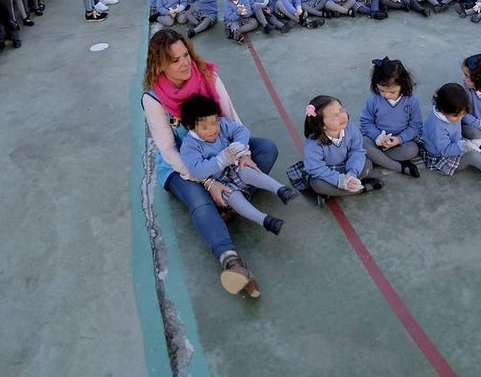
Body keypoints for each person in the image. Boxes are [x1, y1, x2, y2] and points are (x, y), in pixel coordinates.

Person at [141, 29, 279, 297]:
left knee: (267, 151)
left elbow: (232, 119)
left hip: (222, 152)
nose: (184, 63)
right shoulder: (153, 98)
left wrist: (243, 154)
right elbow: (169, 150)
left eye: (185, 56)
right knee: (199, 201)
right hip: (183, 167)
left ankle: (229, 201)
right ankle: (232, 261)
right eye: (174, 60)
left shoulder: (208, 75)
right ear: (160, 64)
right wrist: (208, 181)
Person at [178, 94, 296, 236]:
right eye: (205, 126)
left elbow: (242, 131)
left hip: (234, 165)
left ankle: (281, 190)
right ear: (192, 128)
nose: (213, 129)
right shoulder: (189, 145)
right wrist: (220, 160)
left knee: (248, 171)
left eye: (214, 122)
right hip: (217, 181)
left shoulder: (222, 125)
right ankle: (265, 221)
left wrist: (238, 146)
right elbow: (196, 170)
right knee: (234, 197)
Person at [301, 95, 384, 204]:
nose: (342, 116)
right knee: (317, 184)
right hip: (326, 173)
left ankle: (333, 192)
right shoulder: (313, 143)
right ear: (322, 125)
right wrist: (339, 180)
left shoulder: (351, 128)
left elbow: (357, 151)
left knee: (367, 164)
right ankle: (362, 188)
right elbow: (316, 169)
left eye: (341, 110)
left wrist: (352, 172)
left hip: (347, 166)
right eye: (335, 116)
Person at [358, 57, 423, 177]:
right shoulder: (374, 99)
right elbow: (366, 122)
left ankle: (378, 158)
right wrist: (377, 137)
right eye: (382, 90)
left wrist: (399, 139)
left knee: (412, 150)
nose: (386, 95)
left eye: (392, 92)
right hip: (376, 138)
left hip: (400, 141)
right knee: (363, 144)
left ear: (403, 86)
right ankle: (400, 167)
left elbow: (416, 126)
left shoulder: (411, 101)